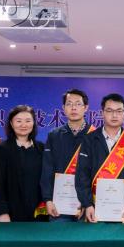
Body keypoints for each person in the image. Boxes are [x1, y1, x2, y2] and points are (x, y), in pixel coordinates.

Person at [75, 93, 124, 223]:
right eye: (109, 110)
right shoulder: (89, 139)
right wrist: (87, 204)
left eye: (119, 111)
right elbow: (82, 174)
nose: (114, 115)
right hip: (94, 209)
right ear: (102, 113)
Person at [40, 88, 93, 222]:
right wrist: (48, 199)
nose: (73, 108)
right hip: (59, 205)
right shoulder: (54, 135)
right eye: (69, 104)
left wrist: (88, 202)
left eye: (78, 104)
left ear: (86, 108)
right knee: (59, 235)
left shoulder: (95, 135)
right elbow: (47, 169)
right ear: (63, 108)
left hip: (88, 205)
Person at [0, 104, 46, 222]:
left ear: (33, 123)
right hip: (10, 214)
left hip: (39, 212)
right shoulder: (2, 149)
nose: (23, 125)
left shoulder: (42, 148)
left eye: (28, 121)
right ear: (11, 124)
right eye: (18, 121)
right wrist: (3, 212)